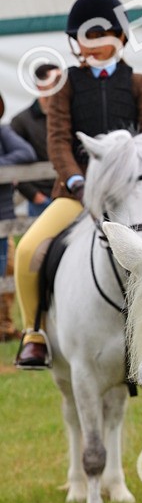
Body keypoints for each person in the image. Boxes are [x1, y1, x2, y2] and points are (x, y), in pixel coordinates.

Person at [14, 0, 142, 370]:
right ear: (77, 43)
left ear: (121, 37)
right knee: (28, 250)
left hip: (133, 192)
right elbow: (58, 141)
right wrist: (76, 181)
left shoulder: (137, 83)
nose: (94, 44)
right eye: (87, 37)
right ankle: (34, 332)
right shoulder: (65, 85)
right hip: (77, 193)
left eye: (101, 35)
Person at [0, 95, 37, 340]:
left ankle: (4, 327)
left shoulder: (3, 132)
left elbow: (26, 152)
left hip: (3, 217)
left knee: (6, 270)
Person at [10, 62, 62, 216]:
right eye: (56, 80)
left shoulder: (69, 117)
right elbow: (12, 162)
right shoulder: (21, 121)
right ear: (41, 85)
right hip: (42, 199)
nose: (62, 85)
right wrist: (34, 196)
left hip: (70, 194)